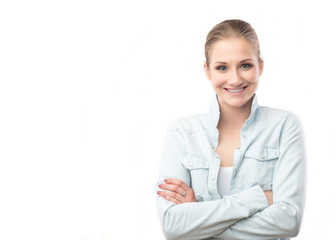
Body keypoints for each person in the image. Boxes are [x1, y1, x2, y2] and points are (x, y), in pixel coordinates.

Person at [156, 19, 306, 240]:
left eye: (245, 65)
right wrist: (259, 198)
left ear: (260, 66)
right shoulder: (181, 134)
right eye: (222, 67)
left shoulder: (284, 126)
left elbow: (289, 220)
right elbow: (172, 226)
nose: (235, 79)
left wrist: (199, 219)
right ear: (207, 70)